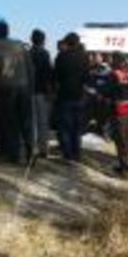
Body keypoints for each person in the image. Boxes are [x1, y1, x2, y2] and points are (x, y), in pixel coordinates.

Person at [0, 21, 35, 164]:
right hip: (24, 87)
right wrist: (30, 87)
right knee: (26, 121)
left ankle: (14, 155)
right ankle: (31, 152)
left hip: (6, 89)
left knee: (11, 122)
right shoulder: (20, 45)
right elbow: (30, 68)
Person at [53, 32, 88, 162]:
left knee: (65, 127)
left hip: (64, 96)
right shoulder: (84, 57)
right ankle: (77, 153)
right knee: (77, 127)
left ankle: (67, 154)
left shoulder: (61, 56)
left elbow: (56, 77)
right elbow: (87, 77)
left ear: (67, 42)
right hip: (79, 96)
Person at [29, 29, 54, 158]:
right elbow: (49, 74)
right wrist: (50, 91)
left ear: (31, 39)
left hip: (29, 91)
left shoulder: (27, 54)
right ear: (43, 41)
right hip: (42, 92)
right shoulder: (45, 54)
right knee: (43, 122)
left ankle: (33, 148)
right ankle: (43, 149)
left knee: (32, 122)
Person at [85, 52, 113, 138]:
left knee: (104, 114)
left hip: (103, 97)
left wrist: (101, 93)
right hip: (92, 96)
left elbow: (109, 84)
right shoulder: (90, 69)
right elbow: (88, 82)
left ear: (101, 58)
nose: (95, 59)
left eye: (97, 57)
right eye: (94, 57)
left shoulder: (107, 69)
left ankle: (104, 131)